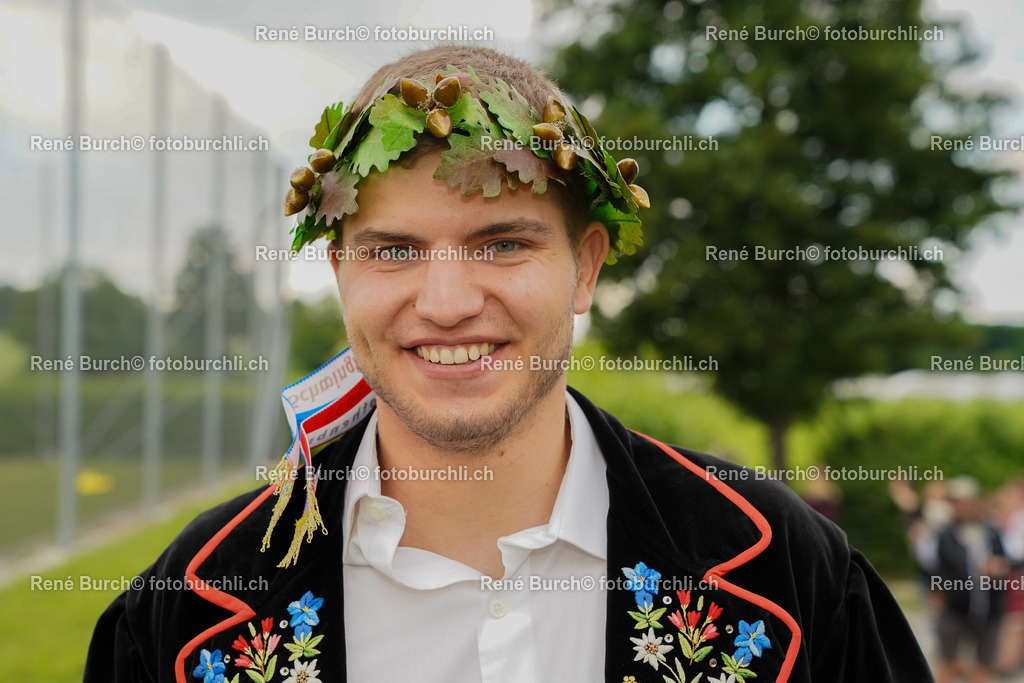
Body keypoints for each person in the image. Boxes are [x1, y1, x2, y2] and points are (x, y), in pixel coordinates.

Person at [85, 45, 934, 683]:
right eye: (393, 250)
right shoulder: (189, 611)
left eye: (500, 243)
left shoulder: (788, 572)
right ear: (341, 274)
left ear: (588, 266)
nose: (446, 301)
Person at [933, 476, 1009, 683]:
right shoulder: (945, 535)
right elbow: (938, 571)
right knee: (947, 661)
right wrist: (939, 602)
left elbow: (1006, 563)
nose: (958, 507)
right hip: (955, 607)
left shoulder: (992, 533)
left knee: (984, 665)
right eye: (954, 502)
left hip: (989, 607)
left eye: (962, 502)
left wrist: (997, 567)